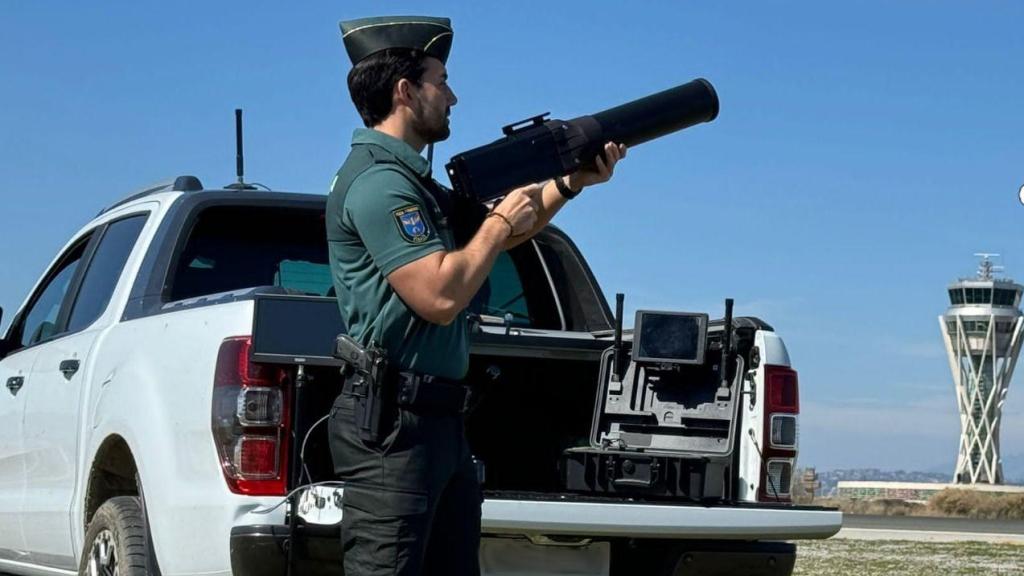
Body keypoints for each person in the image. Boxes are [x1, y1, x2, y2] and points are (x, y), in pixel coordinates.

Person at [326, 15, 626, 576]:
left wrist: (569, 184)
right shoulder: (379, 184)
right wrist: (495, 226)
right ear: (405, 90)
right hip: (395, 427)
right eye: (441, 80)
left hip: (436, 420)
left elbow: (508, 227)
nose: (453, 95)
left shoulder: (414, 185)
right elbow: (440, 294)